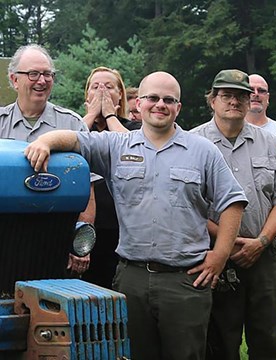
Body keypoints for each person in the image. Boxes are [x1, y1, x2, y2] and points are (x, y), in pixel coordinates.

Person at [23, 71, 247, 360]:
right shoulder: (116, 146)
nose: (160, 105)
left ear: (179, 107)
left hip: (184, 282)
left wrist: (220, 255)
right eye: (153, 98)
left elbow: (233, 202)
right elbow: (75, 139)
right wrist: (45, 142)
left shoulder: (202, 151)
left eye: (169, 100)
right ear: (138, 103)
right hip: (132, 279)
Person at [190, 69, 276, 360]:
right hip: (215, 256)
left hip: (264, 255)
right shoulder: (192, 144)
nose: (234, 101)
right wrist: (229, 241)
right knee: (221, 340)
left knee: (268, 339)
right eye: (226, 95)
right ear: (212, 100)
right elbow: (188, 206)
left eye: (241, 95)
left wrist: (261, 241)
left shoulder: (269, 142)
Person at [0, 44, 94, 276]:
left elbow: (88, 186)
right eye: (33, 74)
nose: (41, 80)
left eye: (47, 74)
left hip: (56, 242)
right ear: (14, 80)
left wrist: (80, 243)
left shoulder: (72, 125)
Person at [80, 66, 141, 289]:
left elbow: (135, 149)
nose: (101, 92)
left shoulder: (135, 128)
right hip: (87, 229)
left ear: (120, 95)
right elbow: (70, 145)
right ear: (87, 96)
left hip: (124, 228)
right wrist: (90, 116)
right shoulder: (78, 126)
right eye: (95, 87)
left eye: (108, 87)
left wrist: (110, 116)